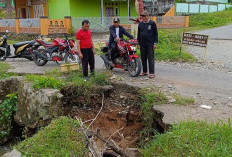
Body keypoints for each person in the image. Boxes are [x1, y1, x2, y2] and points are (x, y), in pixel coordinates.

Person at [137, 11, 158, 79]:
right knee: (143, 58)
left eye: (144, 16)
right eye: (142, 16)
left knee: (151, 59)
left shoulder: (152, 23)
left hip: (150, 44)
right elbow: (139, 34)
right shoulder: (140, 24)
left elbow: (155, 34)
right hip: (142, 44)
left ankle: (152, 73)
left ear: (147, 16)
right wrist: (138, 43)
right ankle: (145, 71)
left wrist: (155, 43)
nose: (143, 18)